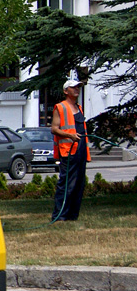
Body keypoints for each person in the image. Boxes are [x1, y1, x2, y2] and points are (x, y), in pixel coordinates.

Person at [51, 78, 90, 222]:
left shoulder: (79, 108)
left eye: (78, 87)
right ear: (66, 91)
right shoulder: (60, 107)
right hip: (68, 150)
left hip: (80, 151)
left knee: (79, 183)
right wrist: (70, 135)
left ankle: (73, 215)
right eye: (74, 87)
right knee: (66, 183)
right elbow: (54, 129)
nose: (77, 90)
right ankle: (60, 216)